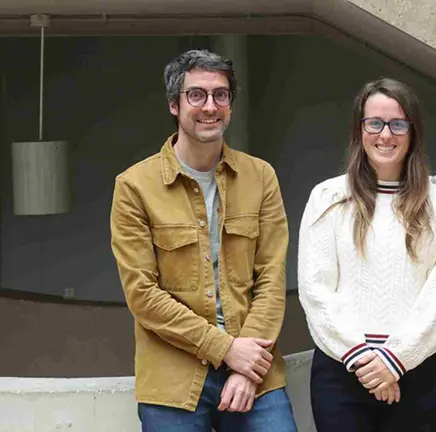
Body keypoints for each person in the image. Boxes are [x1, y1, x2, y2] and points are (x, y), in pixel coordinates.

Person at [110, 49, 297, 431]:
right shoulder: (134, 187)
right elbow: (143, 295)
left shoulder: (261, 177)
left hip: (254, 371)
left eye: (221, 95)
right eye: (196, 95)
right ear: (174, 106)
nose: (210, 106)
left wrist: (246, 368)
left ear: (230, 104)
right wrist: (226, 349)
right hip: (172, 376)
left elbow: (271, 278)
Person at [298, 78, 436, 431]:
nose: (385, 135)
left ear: (414, 131)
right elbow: (315, 289)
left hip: (417, 371)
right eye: (374, 123)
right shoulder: (328, 198)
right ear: (360, 130)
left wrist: (395, 359)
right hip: (342, 370)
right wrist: (364, 358)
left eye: (398, 124)